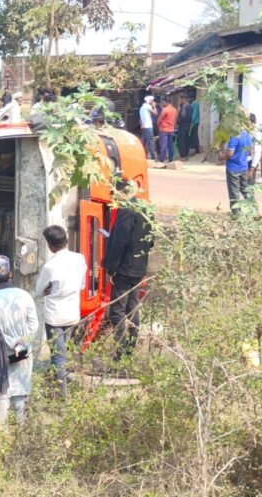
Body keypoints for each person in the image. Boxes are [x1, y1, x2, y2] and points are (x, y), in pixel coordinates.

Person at [0, 255, 39, 425]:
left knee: (3, 389)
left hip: (0, 352)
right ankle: (21, 427)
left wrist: (1, 340)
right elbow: (33, 325)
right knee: (21, 387)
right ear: (10, 274)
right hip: (22, 350)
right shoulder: (25, 296)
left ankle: (2, 430)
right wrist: (21, 342)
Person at [102, 181, 153, 361]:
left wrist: (111, 268)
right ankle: (129, 352)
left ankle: (121, 352)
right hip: (139, 268)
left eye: (114, 195)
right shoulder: (147, 209)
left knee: (117, 312)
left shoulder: (126, 210)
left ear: (121, 193)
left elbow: (119, 242)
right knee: (133, 310)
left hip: (124, 269)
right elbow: (150, 241)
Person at [33, 225, 86, 397]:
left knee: (58, 356)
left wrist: (50, 290)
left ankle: (61, 399)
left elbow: (38, 291)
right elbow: (82, 285)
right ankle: (54, 385)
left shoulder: (50, 266)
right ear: (66, 241)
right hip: (72, 315)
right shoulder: (79, 259)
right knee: (61, 353)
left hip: (54, 317)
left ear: (50, 245)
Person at [225, 121, 254, 216]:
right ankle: (253, 209)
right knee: (245, 189)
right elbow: (251, 152)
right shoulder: (247, 136)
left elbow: (230, 153)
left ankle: (236, 214)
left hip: (233, 168)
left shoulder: (234, 136)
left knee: (234, 193)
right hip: (244, 167)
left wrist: (221, 156)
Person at [156, 96, 177, 163]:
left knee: (163, 145)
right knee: (170, 145)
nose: (162, 103)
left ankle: (161, 159)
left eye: (163, 102)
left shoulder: (165, 110)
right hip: (171, 129)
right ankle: (171, 159)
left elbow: (159, 119)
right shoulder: (174, 109)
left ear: (165, 102)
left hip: (164, 129)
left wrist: (158, 125)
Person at [138, 95, 157, 160]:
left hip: (144, 127)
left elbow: (141, 118)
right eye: (152, 100)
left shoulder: (142, 108)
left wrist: (142, 124)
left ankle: (141, 155)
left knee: (143, 141)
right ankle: (153, 156)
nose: (152, 101)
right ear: (149, 101)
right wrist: (154, 106)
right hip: (148, 127)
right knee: (150, 142)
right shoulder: (147, 106)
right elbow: (155, 113)